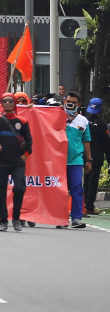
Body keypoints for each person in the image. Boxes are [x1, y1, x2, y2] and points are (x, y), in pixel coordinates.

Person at [0, 92, 33, 231]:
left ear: (14, 103)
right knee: (0, 192)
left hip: (17, 161)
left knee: (19, 188)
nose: (7, 103)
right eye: (4, 101)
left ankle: (16, 218)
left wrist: (25, 155)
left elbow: (29, 141)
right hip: (0, 161)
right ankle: (3, 221)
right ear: (1, 103)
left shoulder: (22, 121)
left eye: (10, 101)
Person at [63, 91, 91, 229]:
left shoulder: (83, 121)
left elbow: (86, 141)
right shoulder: (56, 116)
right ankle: (60, 218)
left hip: (76, 161)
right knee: (61, 190)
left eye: (73, 102)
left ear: (79, 105)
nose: (70, 104)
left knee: (76, 189)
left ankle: (76, 218)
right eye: (68, 101)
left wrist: (89, 160)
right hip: (58, 161)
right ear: (64, 102)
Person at [83, 98, 107, 216]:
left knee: (86, 180)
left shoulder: (84, 121)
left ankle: (84, 203)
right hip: (96, 158)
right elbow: (106, 144)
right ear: (100, 108)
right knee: (93, 182)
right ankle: (89, 206)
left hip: (84, 156)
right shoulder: (102, 125)